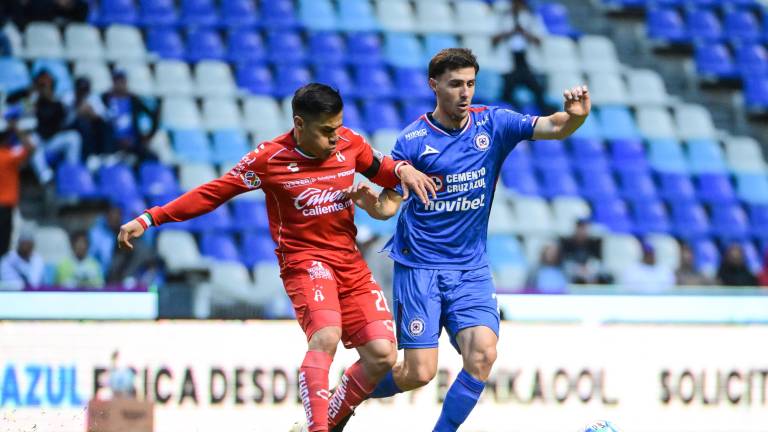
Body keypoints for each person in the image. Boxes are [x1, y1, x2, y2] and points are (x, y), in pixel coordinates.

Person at [116, 83, 437, 432]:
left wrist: (403, 173)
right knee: (326, 335)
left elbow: (389, 176)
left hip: (349, 262)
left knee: (382, 355)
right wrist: (150, 217)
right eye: (327, 130)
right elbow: (214, 192)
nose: (335, 138)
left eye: (338, 127)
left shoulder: (350, 144)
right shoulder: (269, 159)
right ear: (299, 124)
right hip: (305, 263)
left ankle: (323, 422)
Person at [340, 48, 590, 432]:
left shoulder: (493, 124)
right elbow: (389, 208)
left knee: (483, 356)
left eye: (470, 83)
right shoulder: (413, 141)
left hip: (471, 269)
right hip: (420, 267)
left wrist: (577, 117)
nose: (465, 93)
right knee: (417, 373)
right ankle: (345, 395)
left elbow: (555, 126)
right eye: (456, 84)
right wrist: (371, 203)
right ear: (434, 85)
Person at [8, 69, 82, 184]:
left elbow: (66, 120)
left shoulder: (58, 103)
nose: (44, 88)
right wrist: (32, 95)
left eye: (47, 85)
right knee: (32, 142)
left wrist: (49, 96)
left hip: (51, 141)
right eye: (41, 85)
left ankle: (71, 172)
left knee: (74, 137)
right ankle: (45, 178)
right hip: (35, 141)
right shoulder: (32, 102)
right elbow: (12, 110)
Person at [492, 0, 549, 112]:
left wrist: (525, 33)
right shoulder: (502, 17)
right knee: (507, 92)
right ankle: (507, 115)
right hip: (509, 61)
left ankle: (543, 113)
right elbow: (493, 39)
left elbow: (540, 41)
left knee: (537, 90)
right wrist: (510, 32)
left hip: (525, 61)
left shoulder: (531, 17)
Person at [101, 68, 159, 164]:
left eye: (122, 81)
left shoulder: (133, 99)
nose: (119, 84)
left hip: (133, 142)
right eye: (117, 80)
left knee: (152, 157)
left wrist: (148, 136)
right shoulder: (105, 98)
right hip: (111, 143)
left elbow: (153, 114)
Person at [0, 107, 35, 256]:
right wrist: (17, 129)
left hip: (5, 205)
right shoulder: (9, 156)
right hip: (6, 205)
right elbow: (31, 148)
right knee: (4, 244)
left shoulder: (8, 156)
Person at [559, 218, 604, 284]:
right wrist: (578, 270)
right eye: (581, 228)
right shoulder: (567, 242)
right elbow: (565, 263)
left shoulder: (595, 243)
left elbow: (598, 261)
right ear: (576, 228)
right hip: (573, 274)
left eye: (585, 228)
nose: (583, 231)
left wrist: (589, 269)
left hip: (591, 272)